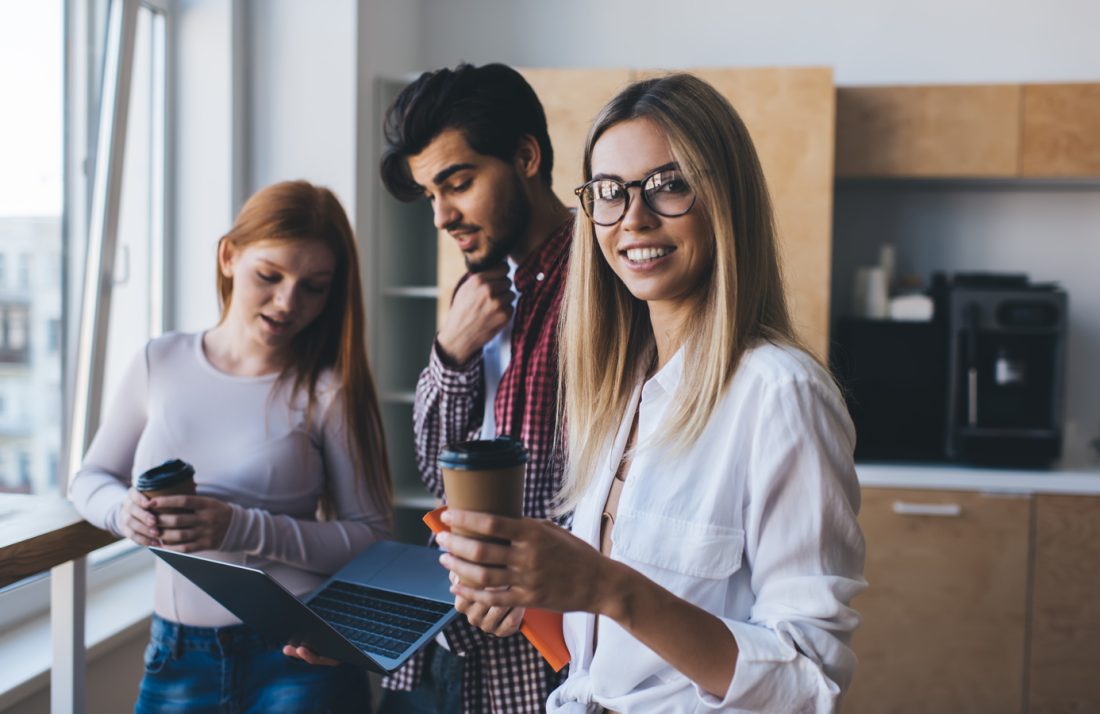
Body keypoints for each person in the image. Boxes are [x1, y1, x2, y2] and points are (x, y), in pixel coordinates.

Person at [435, 73, 868, 712]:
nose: (633, 218)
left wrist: (609, 586)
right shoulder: (622, 389)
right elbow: (622, 649)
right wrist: (533, 591)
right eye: (609, 192)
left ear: (725, 198)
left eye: (668, 187)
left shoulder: (780, 395)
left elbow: (807, 683)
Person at [69, 180, 392, 713]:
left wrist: (240, 527)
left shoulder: (327, 388)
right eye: (269, 276)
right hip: (175, 655)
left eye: (314, 286)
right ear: (228, 256)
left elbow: (372, 540)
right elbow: (90, 478)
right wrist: (123, 513)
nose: (288, 302)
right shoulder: (160, 361)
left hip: (298, 658)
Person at [380, 62, 574, 713]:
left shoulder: (604, 287)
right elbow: (439, 472)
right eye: (429, 193)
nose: (441, 216)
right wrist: (450, 351)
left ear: (525, 156)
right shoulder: (477, 288)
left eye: (457, 184)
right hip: (455, 640)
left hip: (552, 648)